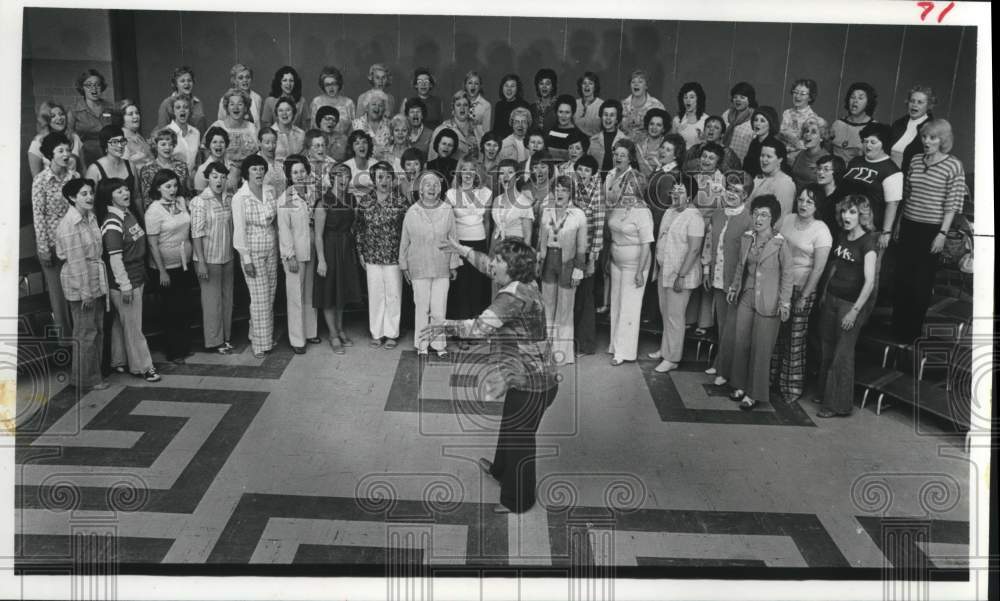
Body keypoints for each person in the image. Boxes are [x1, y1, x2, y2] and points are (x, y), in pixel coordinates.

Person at [426, 237, 558, 513]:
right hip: (525, 377)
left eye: (499, 260)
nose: (492, 264)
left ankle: (518, 500)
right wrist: (462, 250)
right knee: (511, 426)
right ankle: (500, 471)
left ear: (511, 267)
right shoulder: (524, 282)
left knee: (520, 439)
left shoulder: (512, 298)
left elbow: (479, 328)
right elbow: (486, 265)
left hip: (533, 383)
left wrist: (444, 325)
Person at [713, 195, 793, 411]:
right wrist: (734, 287)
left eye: (764, 215)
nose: (759, 218)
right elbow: (741, 266)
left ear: (773, 219)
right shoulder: (748, 237)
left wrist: (785, 303)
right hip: (747, 296)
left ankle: (753, 393)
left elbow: (788, 274)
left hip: (769, 300)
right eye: (756, 213)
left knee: (761, 348)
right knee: (741, 342)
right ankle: (739, 385)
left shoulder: (780, 243)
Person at [891, 119, 967, 342]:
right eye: (924, 136)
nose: (927, 141)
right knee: (902, 278)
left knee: (921, 282)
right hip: (908, 224)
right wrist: (898, 223)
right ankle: (897, 326)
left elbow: (952, 204)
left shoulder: (953, 165)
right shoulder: (915, 160)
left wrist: (942, 234)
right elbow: (907, 195)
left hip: (932, 230)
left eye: (933, 138)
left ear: (943, 140)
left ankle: (911, 331)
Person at [815, 195, 877, 418]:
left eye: (852, 212)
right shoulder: (843, 235)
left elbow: (870, 282)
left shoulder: (868, 243)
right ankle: (824, 394)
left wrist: (854, 311)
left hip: (850, 305)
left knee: (842, 355)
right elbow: (836, 267)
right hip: (832, 298)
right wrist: (824, 292)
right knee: (827, 348)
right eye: (844, 211)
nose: (846, 216)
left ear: (862, 215)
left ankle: (836, 405)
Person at [772, 184, 832, 402]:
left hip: (801, 288)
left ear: (817, 206)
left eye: (810, 201)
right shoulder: (788, 219)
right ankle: (770, 380)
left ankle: (791, 388)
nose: (803, 204)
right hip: (780, 284)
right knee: (776, 335)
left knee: (794, 341)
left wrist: (804, 296)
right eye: (801, 200)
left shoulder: (821, 230)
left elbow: (818, 268)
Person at [98, 178, 160, 382]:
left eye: (126, 189)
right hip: (125, 281)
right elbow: (115, 259)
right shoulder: (112, 223)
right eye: (119, 191)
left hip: (136, 275)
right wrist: (124, 286)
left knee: (121, 322)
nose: (125, 193)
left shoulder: (127, 213)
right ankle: (144, 367)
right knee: (134, 326)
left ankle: (119, 360)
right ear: (109, 197)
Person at [55, 178, 109, 390]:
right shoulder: (70, 224)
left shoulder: (90, 217)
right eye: (83, 194)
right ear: (72, 198)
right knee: (86, 333)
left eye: (90, 193)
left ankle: (90, 376)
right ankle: (88, 380)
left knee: (95, 330)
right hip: (80, 284)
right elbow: (76, 261)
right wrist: (85, 292)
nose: (90, 197)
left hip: (95, 278)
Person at [399, 172, 461, 356]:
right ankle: (422, 345)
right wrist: (404, 266)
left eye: (435, 185)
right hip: (418, 265)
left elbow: (453, 238)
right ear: (421, 189)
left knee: (439, 307)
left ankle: (439, 345)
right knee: (421, 306)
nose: (432, 188)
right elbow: (405, 241)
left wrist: (454, 264)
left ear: (440, 189)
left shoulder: (447, 210)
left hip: (442, 265)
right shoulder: (412, 211)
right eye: (427, 184)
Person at [648, 177, 705, 372]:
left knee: (675, 317)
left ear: (689, 196)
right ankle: (666, 349)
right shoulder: (669, 211)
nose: (675, 195)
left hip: (681, 274)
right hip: (665, 270)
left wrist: (681, 276)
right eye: (674, 191)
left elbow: (694, 250)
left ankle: (672, 358)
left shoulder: (694, 217)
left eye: (680, 191)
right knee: (666, 313)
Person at [604, 141, 652, 366]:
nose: (627, 190)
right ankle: (614, 345)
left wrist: (641, 271)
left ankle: (624, 351)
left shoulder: (643, 212)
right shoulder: (618, 207)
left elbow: (646, 245)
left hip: (635, 265)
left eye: (631, 187)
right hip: (616, 260)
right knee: (616, 303)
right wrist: (609, 259)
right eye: (625, 186)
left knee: (629, 307)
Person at [702, 175, 754, 377]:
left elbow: (747, 256)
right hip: (717, 276)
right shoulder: (717, 214)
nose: (731, 194)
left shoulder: (749, 220)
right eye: (729, 189)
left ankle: (725, 369)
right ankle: (721, 363)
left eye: (737, 191)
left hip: (735, 282)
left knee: (731, 327)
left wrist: (737, 283)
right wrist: (706, 271)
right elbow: (708, 243)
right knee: (722, 324)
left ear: (746, 195)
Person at [354, 161, 409, 349]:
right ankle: (376, 333)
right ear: (373, 179)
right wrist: (360, 252)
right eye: (379, 177)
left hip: (394, 255)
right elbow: (359, 228)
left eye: (387, 176)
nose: (384, 181)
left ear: (393, 179)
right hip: (371, 254)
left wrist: (405, 254)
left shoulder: (400, 201)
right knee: (375, 295)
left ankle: (391, 333)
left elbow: (408, 230)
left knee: (394, 295)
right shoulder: (366, 200)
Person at [144, 168, 194, 364]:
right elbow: (152, 244)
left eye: (174, 185)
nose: (172, 190)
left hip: (184, 263)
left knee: (184, 306)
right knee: (171, 310)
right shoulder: (153, 211)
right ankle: (174, 351)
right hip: (165, 267)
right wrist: (162, 271)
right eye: (168, 186)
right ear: (158, 188)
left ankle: (184, 345)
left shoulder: (180, 202)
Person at [536, 175, 587, 364]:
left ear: (570, 193)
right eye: (556, 189)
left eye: (564, 190)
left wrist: (578, 269)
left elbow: (582, 247)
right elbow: (540, 240)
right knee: (547, 306)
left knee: (565, 308)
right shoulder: (546, 211)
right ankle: (546, 348)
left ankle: (562, 353)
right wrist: (538, 260)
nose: (559, 193)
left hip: (567, 263)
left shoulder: (578, 214)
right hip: (549, 260)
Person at [232, 154, 279, 358]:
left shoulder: (270, 190)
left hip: (271, 248)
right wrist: (246, 259)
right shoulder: (240, 197)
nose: (259, 172)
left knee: (270, 294)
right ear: (247, 173)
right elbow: (239, 230)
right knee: (260, 298)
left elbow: (274, 221)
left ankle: (259, 334)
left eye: (261, 168)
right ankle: (260, 344)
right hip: (252, 252)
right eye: (254, 169)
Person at [32, 132, 78, 339]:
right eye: (60, 151)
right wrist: (43, 248)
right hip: (51, 244)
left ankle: (82, 337)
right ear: (50, 155)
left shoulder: (74, 177)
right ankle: (66, 342)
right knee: (58, 295)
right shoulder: (41, 180)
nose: (66, 154)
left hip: (74, 242)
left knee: (77, 290)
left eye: (68, 150)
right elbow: (38, 215)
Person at [314, 163, 363, 354]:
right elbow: (318, 235)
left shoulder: (351, 199)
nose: (344, 179)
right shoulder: (323, 202)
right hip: (329, 249)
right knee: (329, 294)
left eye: (347, 176)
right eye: (339, 176)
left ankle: (340, 329)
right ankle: (333, 334)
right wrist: (321, 260)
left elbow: (354, 224)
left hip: (346, 249)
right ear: (332, 178)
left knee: (341, 293)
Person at [189, 161, 235, 355]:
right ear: (208, 178)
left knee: (227, 300)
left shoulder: (228, 198)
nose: (219, 180)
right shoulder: (200, 201)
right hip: (208, 259)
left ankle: (225, 337)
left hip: (227, 256)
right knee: (211, 303)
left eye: (223, 177)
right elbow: (196, 233)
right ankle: (214, 341)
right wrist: (201, 262)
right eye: (215, 176)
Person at [277, 155, 319, 354]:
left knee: (310, 294)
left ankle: (310, 332)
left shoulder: (312, 193)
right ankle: (297, 339)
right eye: (295, 172)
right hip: (295, 254)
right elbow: (284, 230)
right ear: (289, 176)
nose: (300, 175)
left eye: (302, 171)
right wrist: (289, 256)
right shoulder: (286, 198)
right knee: (295, 296)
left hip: (311, 251)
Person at [837, 123, 902, 250]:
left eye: (873, 142)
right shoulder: (855, 161)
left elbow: (893, 204)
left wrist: (886, 232)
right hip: (847, 223)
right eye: (865, 141)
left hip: (870, 229)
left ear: (884, 144)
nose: (868, 145)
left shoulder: (891, 170)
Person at [446, 160, 493, 328]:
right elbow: (448, 223)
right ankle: (460, 328)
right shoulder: (451, 193)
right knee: (460, 286)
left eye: (472, 169)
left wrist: (487, 246)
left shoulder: (486, 193)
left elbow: (487, 222)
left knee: (477, 285)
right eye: (464, 169)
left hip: (479, 242)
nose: (467, 173)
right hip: (459, 243)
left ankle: (476, 327)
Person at [571, 154, 605, 357]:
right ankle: (569, 342)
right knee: (572, 298)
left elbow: (599, 228)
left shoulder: (597, 193)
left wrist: (592, 259)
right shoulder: (571, 187)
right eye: (580, 169)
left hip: (587, 253)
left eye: (587, 170)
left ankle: (585, 345)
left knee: (585, 298)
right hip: (570, 249)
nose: (582, 173)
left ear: (593, 174)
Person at [85, 126, 140, 218]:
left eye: (122, 141)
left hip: (131, 218)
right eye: (114, 142)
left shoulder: (130, 165)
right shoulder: (94, 169)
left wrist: (142, 221)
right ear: (105, 145)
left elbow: (137, 196)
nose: (120, 146)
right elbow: (89, 202)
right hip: (106, 219)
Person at [68, 69, 115, 166]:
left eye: (97, 84)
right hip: (85, 157)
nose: (94, 88)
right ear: (82, 88)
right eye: (89, 85)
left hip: (109, 154)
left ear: (102, 87)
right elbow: (68, 133)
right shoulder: (74, 110)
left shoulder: (110, 107)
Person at [137, 128, 191, 208]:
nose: (167, 148)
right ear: (155, 146)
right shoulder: (147, 170)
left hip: (180, 210)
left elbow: (187, 193)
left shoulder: (182, 166)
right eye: (163, 144)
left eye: (171, 144)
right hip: (157, 212)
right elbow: (147, 199)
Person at [777, 79, 827, 163]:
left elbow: (806, 146)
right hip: (781, 155)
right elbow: (781, 134)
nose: (797, 96)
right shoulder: (787, 113)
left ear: (810, 97)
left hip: (798, 159)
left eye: (802, 94)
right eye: (795, 92)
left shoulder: (813, 118)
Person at [748, 138, 796, 227]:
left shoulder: (785, 184)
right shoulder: (758, 178)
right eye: (762, 155)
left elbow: (779, 220)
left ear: (780, 160)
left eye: (769, 156)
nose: (764, 160)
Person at [28, 101, 83, 177]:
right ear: (46, 120)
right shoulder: (37, 143)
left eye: (61, 114)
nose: (59, 118)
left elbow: (82, 169)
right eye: (53, 116)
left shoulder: (75, 138)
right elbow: (36, 177)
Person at [889, 84, 935, 174]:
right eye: (912, 101)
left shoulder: (932, 128)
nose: (914, 105)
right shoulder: (898, 123)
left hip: (913, 174)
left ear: (928, 106)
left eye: (920, 102)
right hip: (889, 172)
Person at [830, 82, 877, 163]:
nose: (855, 101)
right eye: (852, 97)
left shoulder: (874, 127)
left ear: (868, 103)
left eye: (860, 98)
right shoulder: (837, 124)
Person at [430, 92, 483, 162]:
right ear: (453, 108)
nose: (462, 108)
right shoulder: (441, 129)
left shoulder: (478, 128)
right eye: (458, 105)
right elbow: (432, 159)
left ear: (470, 108)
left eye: (465, 105)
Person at [210, 89, 260, 165]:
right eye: (232, 104)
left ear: (245, 107)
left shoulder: (252, 128)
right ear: (227, 107)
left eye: (240, 104)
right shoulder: (218, 126)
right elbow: (206, 152)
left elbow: (257, 153)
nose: (235, 108)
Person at [155, 66, 208, 132]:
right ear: (176, 84)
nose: (187, 83)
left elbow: (202, 129)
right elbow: (162, 132)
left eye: (189, 80)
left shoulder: (198, 103)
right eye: (182, 81)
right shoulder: (166, 103)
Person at [306, 66, 355, 136]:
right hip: (321, 141)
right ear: (323, 86)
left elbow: (353, 129)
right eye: (327, 85)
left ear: (339, 84)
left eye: (334, 84)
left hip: (343, 141)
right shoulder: (316, 102)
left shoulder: (349, 103)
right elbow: (312, 128)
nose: (331, 88)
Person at [193, 126, 240, 195]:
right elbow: (200, 197)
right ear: (209, 145)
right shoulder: (202, 170)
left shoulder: (233, 167)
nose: (218, 145)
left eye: (222, 142)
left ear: (226, 145)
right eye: (214, 142)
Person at [589, 100, 628, 175]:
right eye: (605, 114)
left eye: (612, 115)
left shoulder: (625, 141)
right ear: (601, 117)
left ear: (617, 119)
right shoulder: (593, 140)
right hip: (596, 179)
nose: (608, 118)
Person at [722, 81, 758, 162]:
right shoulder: (727, 114)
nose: (738, 100)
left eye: (742, 97)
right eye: (735, 97)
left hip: (743, 161)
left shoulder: (755, 118)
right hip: (723, 159)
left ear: (750, 100)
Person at [260, 66, 306, 130]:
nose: (288, 84)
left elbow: (305, 127)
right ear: (279, 82)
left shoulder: (302, 101)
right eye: (284, 80)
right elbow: (266, 129)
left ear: (295, 83)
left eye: (291, 81)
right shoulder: (269, 101)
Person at [352, 90, 392, 160]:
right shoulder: (355, 125)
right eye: (373, 104)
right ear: (367, 107)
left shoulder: (390, 125)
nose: (377, 108)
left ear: (384, 109)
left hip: (384, 164)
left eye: (380, 105)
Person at [789, 118, 828, 189]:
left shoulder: (826, 159)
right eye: (806, 131)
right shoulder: (800, 154)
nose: (807, 134)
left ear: (821, 137)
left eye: (813, 132)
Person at [166, 95, 201, 174]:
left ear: (190, 110)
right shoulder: (166, 132)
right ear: (173, 111)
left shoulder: (196, 133)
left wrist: (196, 171)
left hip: (192, 178)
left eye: (186, 107)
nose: (182, 110)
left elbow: (198, 158)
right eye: (178, 107)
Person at [741, 106, 779, 178]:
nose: (757, 124)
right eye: (756, 120)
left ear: (771, 124)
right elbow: (746, 167)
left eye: (762, 121)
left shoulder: (776, 145)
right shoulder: (754, 142)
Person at [117, 99, 153, 172]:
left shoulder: (137, 135)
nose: (135, 116)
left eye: (137, 113)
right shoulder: (121, 139)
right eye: (130, 114)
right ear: (122, 118)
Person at [492, 74, 532, 139]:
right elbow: (495, 130)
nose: (509, 89)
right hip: (500, 142)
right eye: (506, 86)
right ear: (502, 88)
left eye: (512, 86)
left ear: (517, 89)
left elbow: (526, 132)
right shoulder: (499, 105)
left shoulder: (524, 105)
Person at [815, 154, 847, 232]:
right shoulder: (814, 192)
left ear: (836, 172)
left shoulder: (841, 198)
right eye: (819, 168)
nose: (820, 172)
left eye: (826, 169)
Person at [635, 108, 670, 179]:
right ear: (647, 125)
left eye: (658, 125)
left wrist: (656, 161)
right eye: (651, 124)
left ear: (663, 129)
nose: (654, 127)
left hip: (661, 182)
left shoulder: (668, 148)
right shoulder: (638, 146)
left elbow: (671, 172)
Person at [302, 128, 338, 197]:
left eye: (323, 145)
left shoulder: (334, 165)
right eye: (317, 146)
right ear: (308, 148)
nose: (321, 149)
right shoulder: (301, 166)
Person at [672, 82, 708, 147]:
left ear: (698, 99)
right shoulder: (676, 120)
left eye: (692, 97)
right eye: (685, 97)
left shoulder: (706, 120)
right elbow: (672, 143)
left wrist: (703, 139)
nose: (688, 100)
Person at [271, 97, 306, 162]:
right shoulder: (270, 133)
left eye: (288, 110)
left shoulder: (301, 134)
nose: (284, 113)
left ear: (293, 112)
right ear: (277, 114)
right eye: (280, 110)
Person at [344, 130, 375, 197]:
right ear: (352, 147)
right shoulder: (345, 166)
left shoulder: (376, 164)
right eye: (357, 143)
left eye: (364, 142)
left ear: (369, 145)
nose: (361, 146)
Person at [574, 72, 604, 138]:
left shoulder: (602, 105)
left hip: (595, 141)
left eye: (590, 83)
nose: (587, 86)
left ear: (595, 87)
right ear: (581, 86)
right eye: (584, 83)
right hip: (576, 141)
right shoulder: (575, 103)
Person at [529, 68, 559, 133]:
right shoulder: (532, 108)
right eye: (541, 83)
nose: (544, 86)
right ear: (537, 86)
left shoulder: (559, 106)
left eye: (547, 84)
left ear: (553, 86)